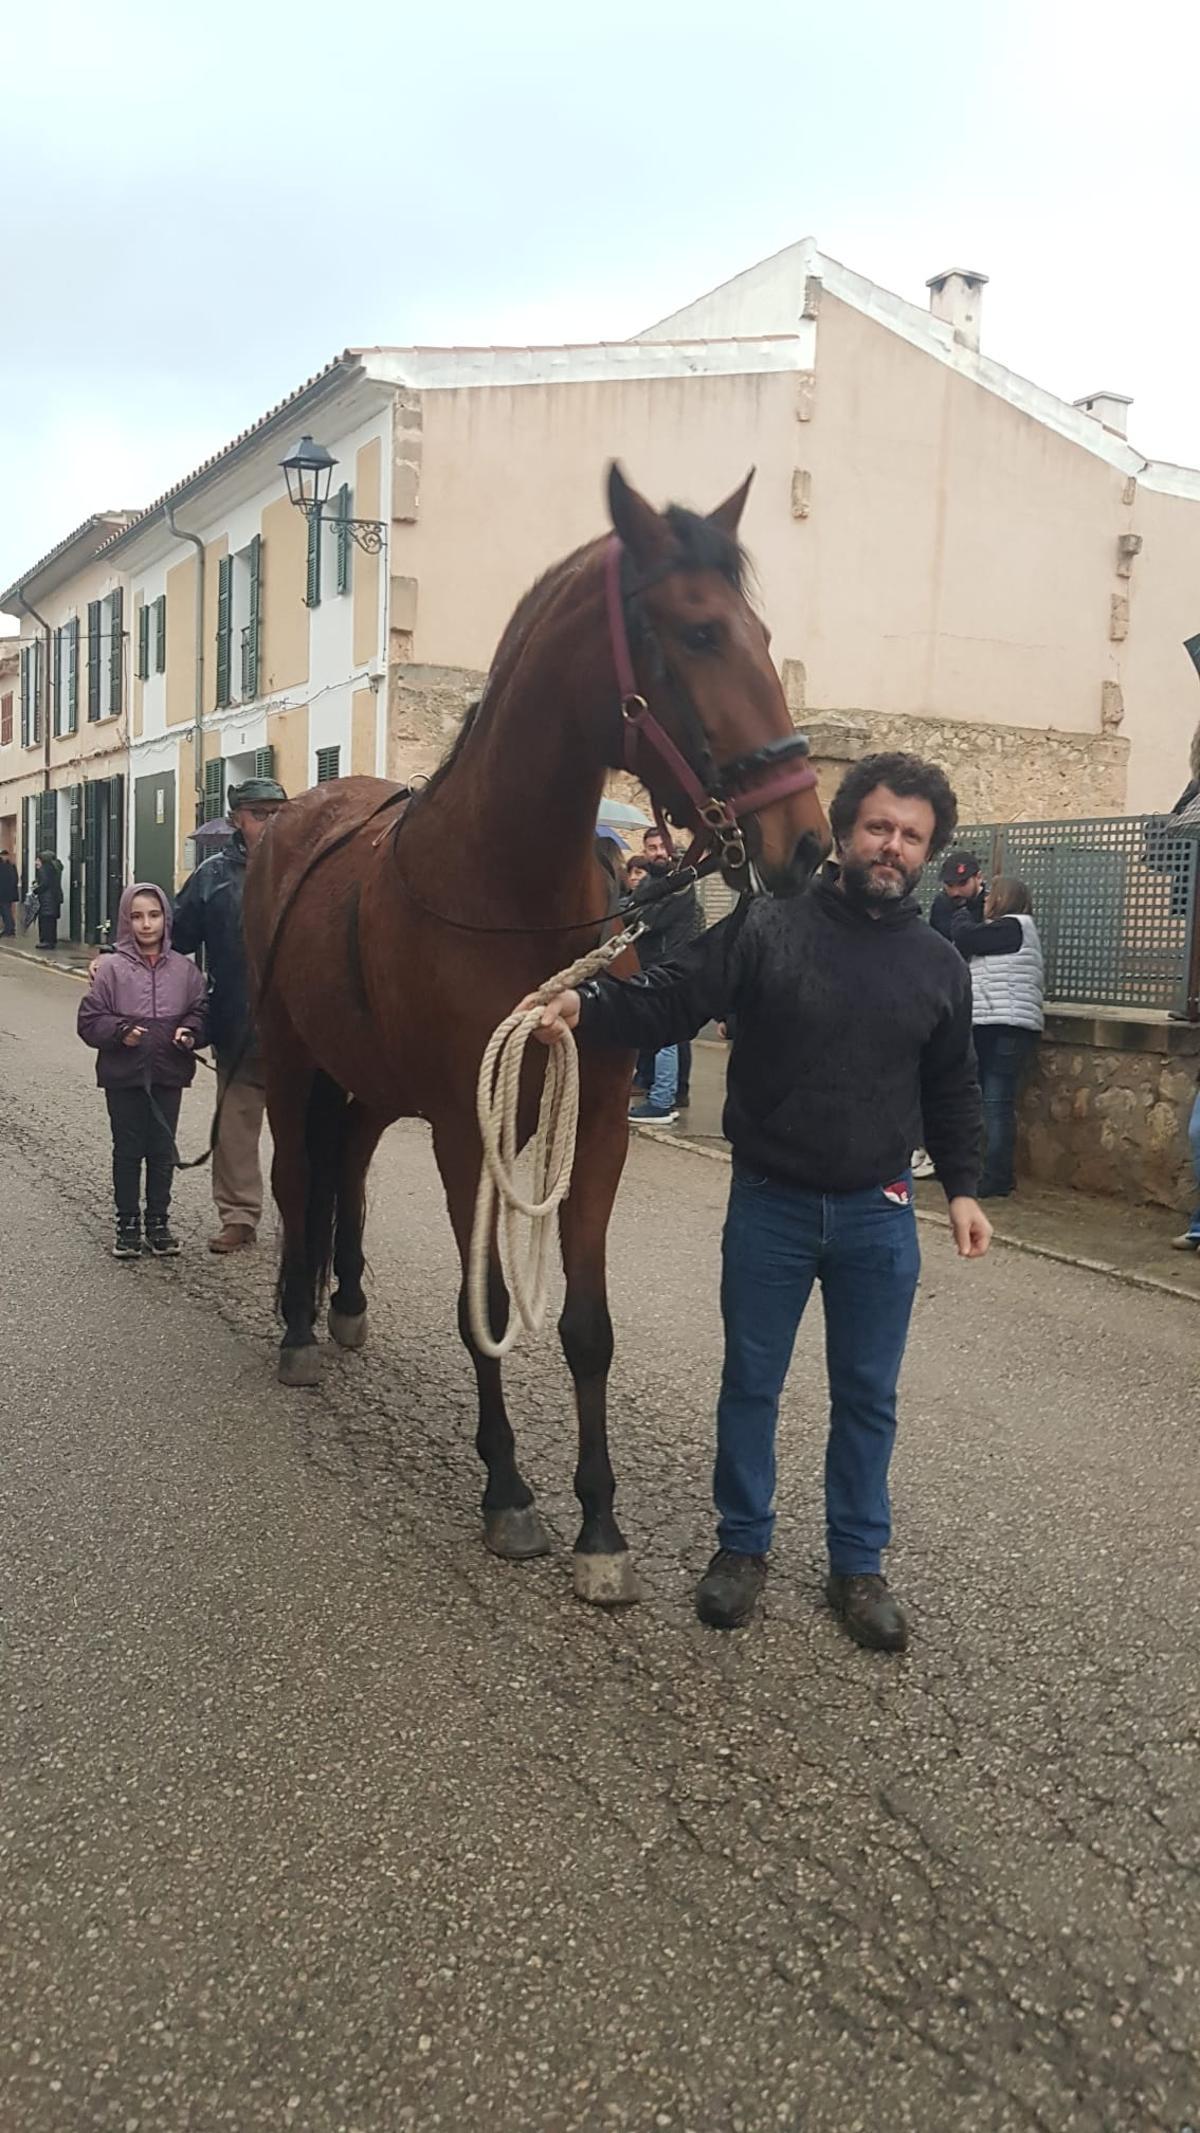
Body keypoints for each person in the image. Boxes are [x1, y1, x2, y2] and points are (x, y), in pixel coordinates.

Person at [528, 751, 990, 1650]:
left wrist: (965, 1188)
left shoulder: (939, 964)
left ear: (928, 851)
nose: (891, 845)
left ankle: (858, 1566)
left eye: (911, 835)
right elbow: (671, 998)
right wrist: (589, 1005)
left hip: (878, 1211)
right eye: (878, 826)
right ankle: (742, 1548)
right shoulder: (765, 926)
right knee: (752, 1385)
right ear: (848, 829)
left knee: (867, 1395)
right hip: (772, 1204)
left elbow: (955, 1086)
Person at [171, 776, 288, 1253]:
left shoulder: (311, 869)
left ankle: (314, 1217)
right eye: (261, 815)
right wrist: (120, 963)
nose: (272, 823)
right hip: (237, 1024)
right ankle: (239, 1217)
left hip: (307, 1032)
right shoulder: (211, 877)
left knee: (310, 1131)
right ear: (237, 819)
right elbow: (175, 943)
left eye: (279, 813)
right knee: (237, 1131)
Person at [77, 884, 208, 1258]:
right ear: (125, 920)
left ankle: (158, 1221)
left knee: (162, 1148)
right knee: (129, 1148)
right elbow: (90, 1020)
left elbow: (199, 1011)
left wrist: (190, 1032)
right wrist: (119, 1032)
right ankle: (128, 1222)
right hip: (124, 1075)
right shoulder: (110, 970)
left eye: (154, 915)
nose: (146, 924)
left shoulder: (185, 970)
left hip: (168, 1072)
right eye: (136, 916)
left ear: (166, 918)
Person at [950, 877, 1045, 1200]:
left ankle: (997, 1178)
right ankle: (985, 1173)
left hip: (1003, 1026)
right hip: (997, 1024)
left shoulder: (1013, 927)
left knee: (995, 1105)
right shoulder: (1009, 930)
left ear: (1003, 899)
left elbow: (964, 936)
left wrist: (964, 907)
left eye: (991, 896)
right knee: (985, 1102)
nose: (987, 899)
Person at [929, 849, 983, 939]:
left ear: (979, 877)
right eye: (949, 885)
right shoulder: (941, 904)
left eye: (962, 884)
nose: (955, 892)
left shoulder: (993, 904)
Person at [34, 851, 63, 949]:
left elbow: (45, 884)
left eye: (38, 860)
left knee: (45, 920)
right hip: (55, 898)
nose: (36, 862)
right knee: (52, 921)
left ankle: (46, 941)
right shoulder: (56, 868)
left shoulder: (44, 869)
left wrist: (35, 890)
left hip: (47, 899)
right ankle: (51, 940)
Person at [0, 848, 17, 937]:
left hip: (4, 893)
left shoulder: (8, 866)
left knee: (5, 911)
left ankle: (9, 929)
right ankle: (9, 928)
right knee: (6, 911)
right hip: (7, 893)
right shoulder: (11, 865)